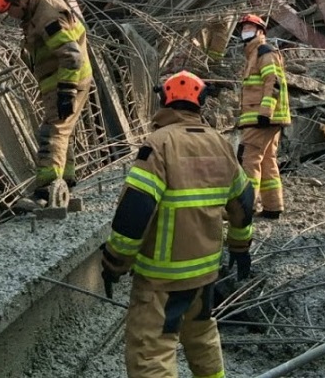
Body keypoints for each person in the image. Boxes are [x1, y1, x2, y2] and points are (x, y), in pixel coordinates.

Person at [100, 70, 254, 378]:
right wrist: (240, 245)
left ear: (165, 100)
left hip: (161, 278)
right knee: (202, 337)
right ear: (200, 103)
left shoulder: (158, 145)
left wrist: (115, 261)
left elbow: (135, 212)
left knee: (152, 353)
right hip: (205, 273)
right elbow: (244, 203)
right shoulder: (220, 144)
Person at [0, 0, 92, 214]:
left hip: (67, 79)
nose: (10, 17)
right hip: (60, 79)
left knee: (52, 131)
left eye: (9, 10)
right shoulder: (36, 11)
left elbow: (71, 56)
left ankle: (45, 193)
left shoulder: (46, 14)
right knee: (61, 131)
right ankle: (65, 181)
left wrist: (66, 91)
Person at [234, 13, 290, 219]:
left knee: (249, 160)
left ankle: (244, 208)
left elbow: (273, 82)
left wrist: (265, 112)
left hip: (261, 119)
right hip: (266, 119)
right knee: (267, 162)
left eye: (249, 27)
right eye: (243, 28)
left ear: (260, 32)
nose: (244, 31)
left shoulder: (263, 52)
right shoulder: (254, 54)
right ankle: (272, 208)